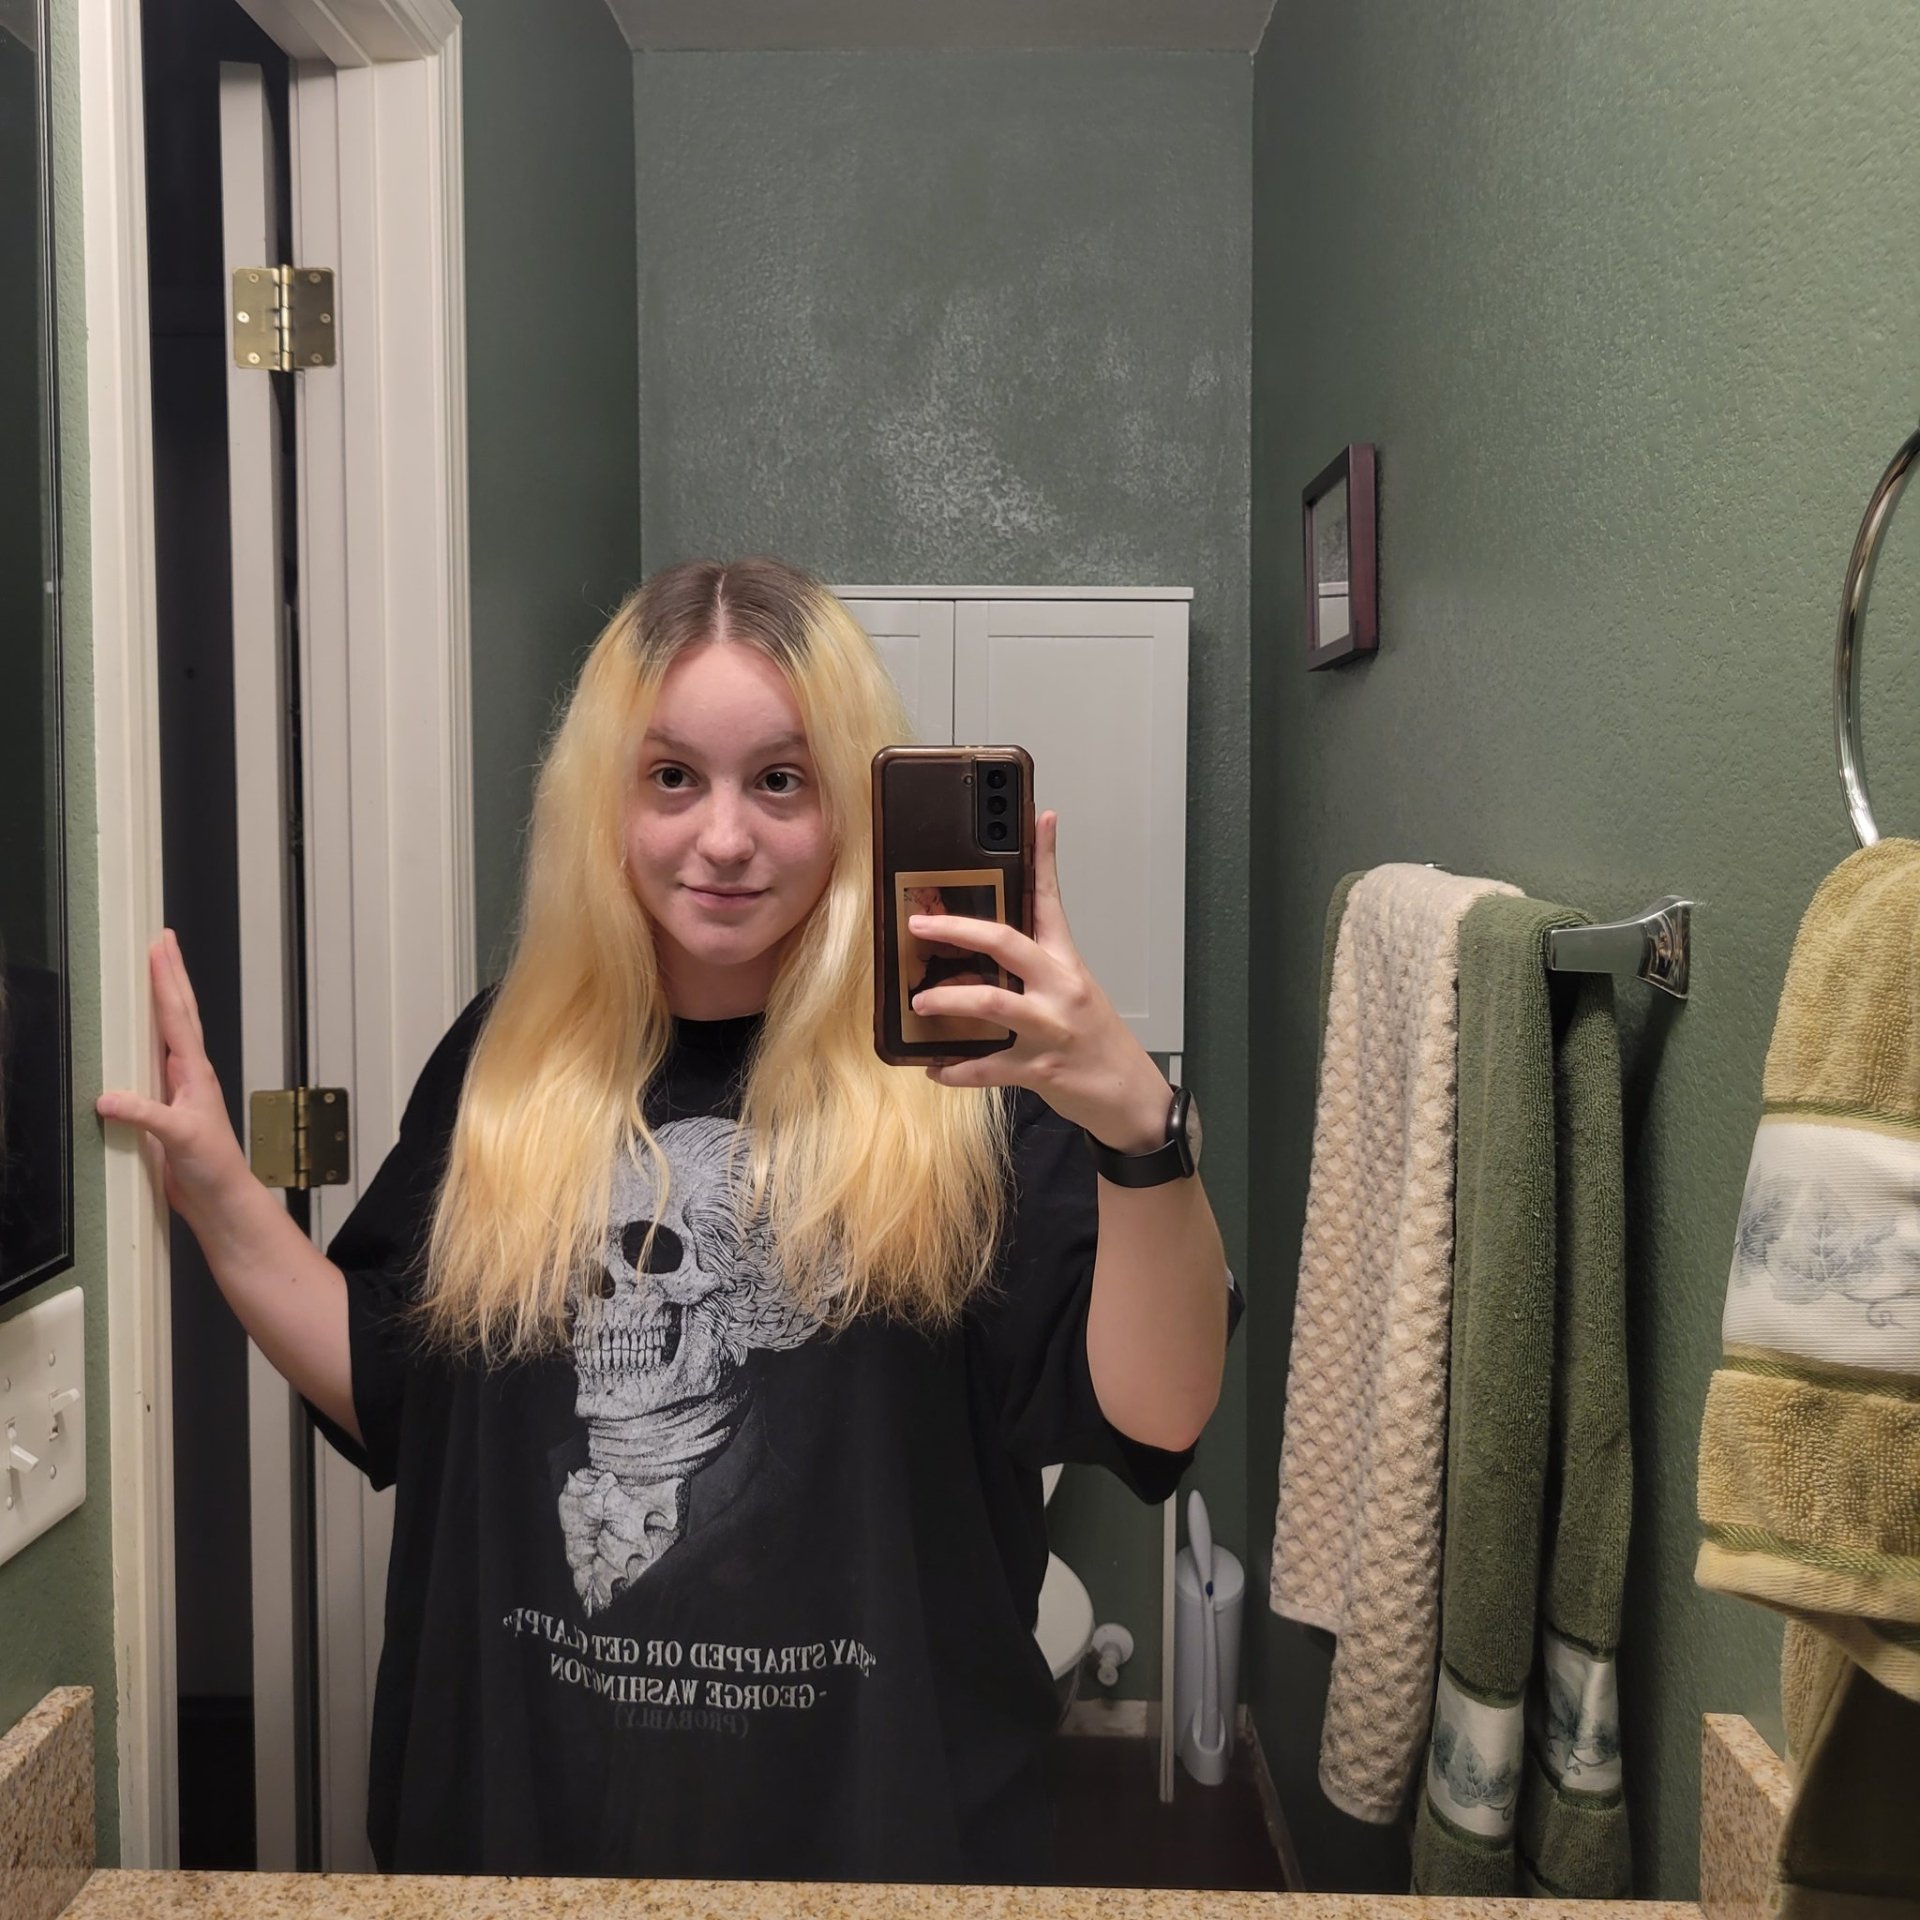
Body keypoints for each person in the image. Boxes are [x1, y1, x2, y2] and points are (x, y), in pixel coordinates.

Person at [96, 557, 1239, 1884]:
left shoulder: (960, 1087)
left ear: (852, 802)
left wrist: (1135, 1130)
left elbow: (1157, 1416)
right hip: (528, 1832)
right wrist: (220, 1193)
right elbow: (391, 1385)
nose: (725, 838)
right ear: (610, 799)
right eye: (673, 778)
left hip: (870, 1838)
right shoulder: (507, 1068)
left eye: (782, 780)